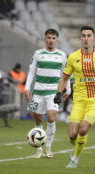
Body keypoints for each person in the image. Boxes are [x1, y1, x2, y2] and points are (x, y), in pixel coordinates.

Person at [54, 26, 95, 168]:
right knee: (72, 135)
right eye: (83, 36)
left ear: (94, 38)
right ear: (80, 38)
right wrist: (58, 93)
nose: (86, 38)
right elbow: (64, 78)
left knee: (83, 129)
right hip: (79, 101)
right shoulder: (73, 57)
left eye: (89, 35)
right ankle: (76, 148)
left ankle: (74, 158)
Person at [24, 28, 71, 158]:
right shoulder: (37, 53)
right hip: (38, 92)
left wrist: (68, 89)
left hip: (53, 92)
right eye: (48, 38)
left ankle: (48, 147)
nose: (51, 41)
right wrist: (27, 88)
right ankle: (38, 149)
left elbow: (65, 74)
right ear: (44, 39)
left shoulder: (62, 55)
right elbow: (32, 72)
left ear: (57, 40)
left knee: (51, 117)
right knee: (38, 119)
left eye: (53, 38)